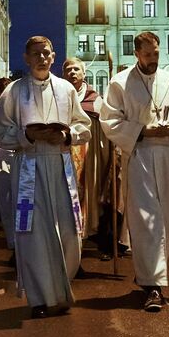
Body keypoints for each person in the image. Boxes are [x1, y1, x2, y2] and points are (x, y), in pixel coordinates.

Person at [0, 36, 91, 319]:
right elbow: (0, 132)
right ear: (26, 57)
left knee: (68, 233)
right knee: (33, 234)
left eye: (46, 53)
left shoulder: (65, 89)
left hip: (60, 165)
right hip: (28, 167)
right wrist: (27, 135)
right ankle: (39, 298)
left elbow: (83, 125)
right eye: (35, 53)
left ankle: (61, 290)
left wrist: (67, 134)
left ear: (53, 56)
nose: (41, 58)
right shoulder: (13, 91)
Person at [100, 31, 169, 312]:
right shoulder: (120, 82)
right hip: (139, 154)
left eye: (156, 53)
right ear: (136, 53)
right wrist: (141, 130)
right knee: (145, 219)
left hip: (167, 154)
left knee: (164, 219)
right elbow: (109, 120)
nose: (153, 59)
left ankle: (153, 279)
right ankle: (153, 286)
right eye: (148, 54)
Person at [62, 58, 109, 261]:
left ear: (83, 73)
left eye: (76, 69)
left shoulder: (95, 99)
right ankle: (69, 248)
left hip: (89, 154)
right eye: (68, 69)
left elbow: (107, 124)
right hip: (63, 151)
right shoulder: (59, 95)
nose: (72, 72)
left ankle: (94, 239)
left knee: (87, 195)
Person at [0, 77, 15, 253]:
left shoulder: (19, 108)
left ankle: (24, 242)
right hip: (1, 158)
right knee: (5, 201)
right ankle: (12, 243)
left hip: (20, 157)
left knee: (23, 202)